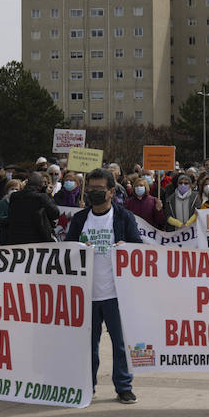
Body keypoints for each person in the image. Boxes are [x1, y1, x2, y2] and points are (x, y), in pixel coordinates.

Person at [65, 167, 144, 404]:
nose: (94, 193)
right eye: (91, 188)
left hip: (114, 293)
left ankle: (123, 387)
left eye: (100, 189)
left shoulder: (123, 217)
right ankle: (87, 385)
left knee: (120, 344)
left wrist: (126, 248)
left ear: (111, 191)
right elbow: (67, 251)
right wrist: (79, 249)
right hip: (88, 293)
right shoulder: (80, 219)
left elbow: (138, 248)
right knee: (88, 345)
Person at [2, 172, 60, 244]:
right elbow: (55, 214)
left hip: (16, 238)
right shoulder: (42, 197)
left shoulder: (14, 196)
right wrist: (48, 195)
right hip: (36, 239)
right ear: (41, 185)